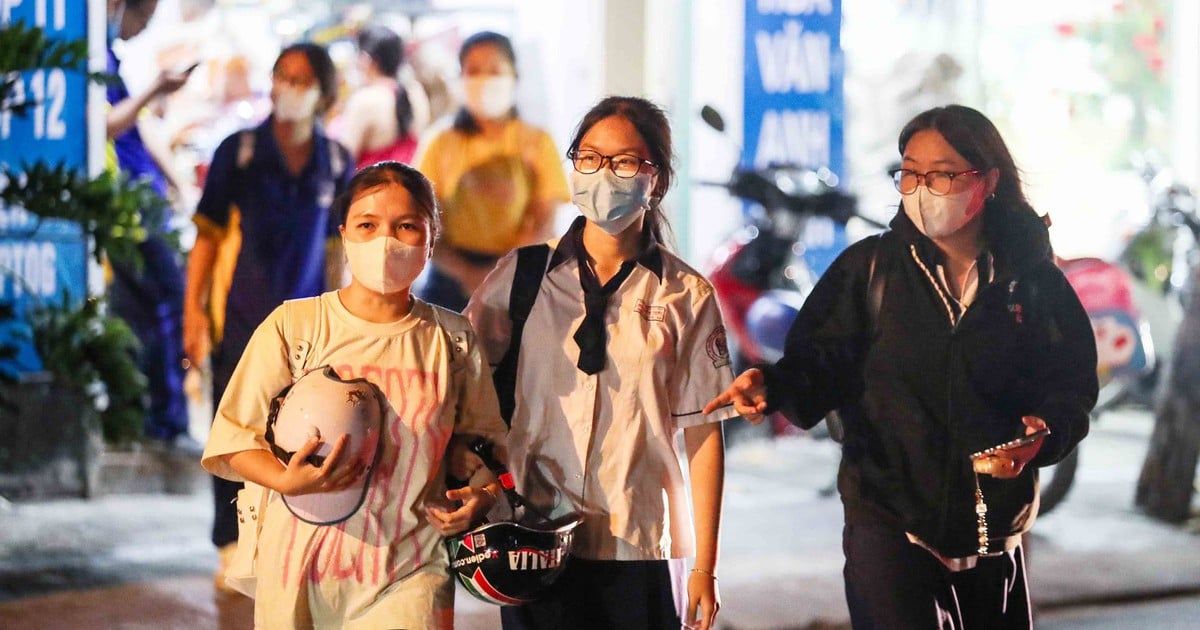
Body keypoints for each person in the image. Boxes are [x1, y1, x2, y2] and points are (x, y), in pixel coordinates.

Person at [704, 104, 1099, 629]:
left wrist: (1046, 432)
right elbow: (818, 364)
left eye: (941, 174)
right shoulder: (870, 271)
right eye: (909, 172)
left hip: (993, 524)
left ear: (989, 180)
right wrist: (772, 386)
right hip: (887, 516)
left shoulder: (1031, 281)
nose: (920, 188)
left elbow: (1070, 383)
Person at [464, 96, 735, 630]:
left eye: (625, 161)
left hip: (641, 541)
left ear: (655, 179)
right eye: (589, 157)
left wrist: (706, 565)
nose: (603, 174)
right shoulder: (522, 279)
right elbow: (462, 385)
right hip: (535, 537)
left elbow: (705, 436)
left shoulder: (686, 295)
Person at [200, 161, 507, 628]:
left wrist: (481, 495)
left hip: (411, 569)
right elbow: (234, 437)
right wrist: (284, 481)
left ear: (430, 239)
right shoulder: (294, 327)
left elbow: (484, 446)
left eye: (407, 226)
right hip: (297, 571)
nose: (386, 241)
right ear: (344, 234)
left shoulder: (452, 339)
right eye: (368, 224)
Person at [183, 42, 353, 592]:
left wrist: (340, 322)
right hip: (239, 318)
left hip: (305, 327)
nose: (288, 88)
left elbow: (334, 250)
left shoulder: (336, 161)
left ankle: (283, 537)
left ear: (324, 94)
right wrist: (193, 314)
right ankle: (230, 543)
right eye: (282, 76)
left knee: (298, 432)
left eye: (302, 80)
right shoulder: (240, 151)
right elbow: (206, 239)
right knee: (234, 430)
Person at [415, 31, 569, 312]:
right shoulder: (440, 143)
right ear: (460, 78)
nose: (485, 80)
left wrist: (501, 272)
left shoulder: (537, 142)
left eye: (495, 70)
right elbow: (424, 221)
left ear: (514, 76)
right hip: (450, 281)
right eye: (474, 71)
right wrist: (466, 274)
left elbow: (544, 221)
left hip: (520, 275)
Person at [105, 0, 196, 450]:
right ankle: (164, 421)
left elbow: (137, 128)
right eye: (144, 18)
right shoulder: (93, 55)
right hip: (126, 207)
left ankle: (146, 419)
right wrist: (154, 89)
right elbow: (106, 125)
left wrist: (176, 180)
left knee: (140, 309)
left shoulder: (107, 56)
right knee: (164, 302)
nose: (141, 30)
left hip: (139, 201)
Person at [337, 24, 430, 170]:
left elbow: (343, 162)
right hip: (411, 188)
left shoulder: (365, 100)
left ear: (366, 59)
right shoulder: (416, 92)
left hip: (371, 190)